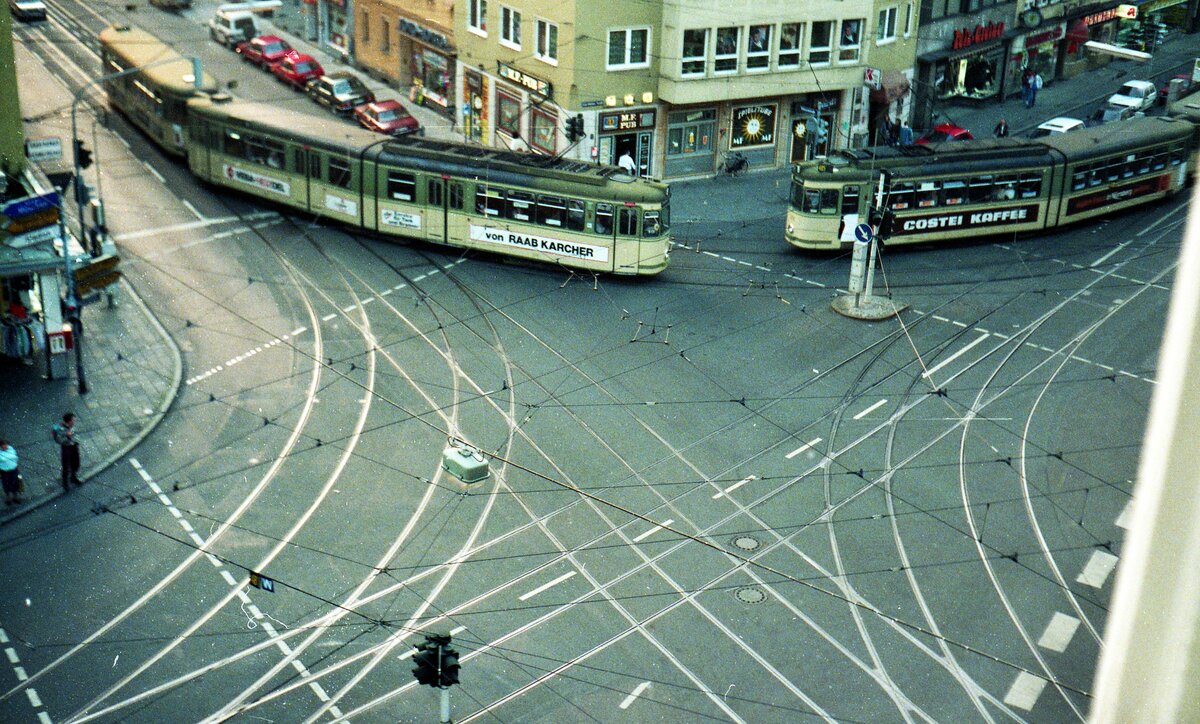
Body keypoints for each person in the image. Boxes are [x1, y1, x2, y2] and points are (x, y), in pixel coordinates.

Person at [53, 413, 82, 491]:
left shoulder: (72, 426)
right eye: (73, 420)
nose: (74, 421)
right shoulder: (60, 429)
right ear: (69, 421)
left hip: (74, 446)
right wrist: (67, 436)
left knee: (76, 463)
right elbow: (59, 440)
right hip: (66, 448)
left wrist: (77, 441)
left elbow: (75, 434)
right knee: (66, 466)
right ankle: (65, 483)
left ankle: (73, 477)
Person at [0, 439, 20, 505]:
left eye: (6, 445)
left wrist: (17, 466)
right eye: (3, 445)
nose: (5, 446)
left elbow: (15, 458)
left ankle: (15, 496)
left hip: (14, 469)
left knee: (15, 482)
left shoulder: (11, 449)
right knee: (6, 484)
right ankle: (8, 497)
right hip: (4, 471)